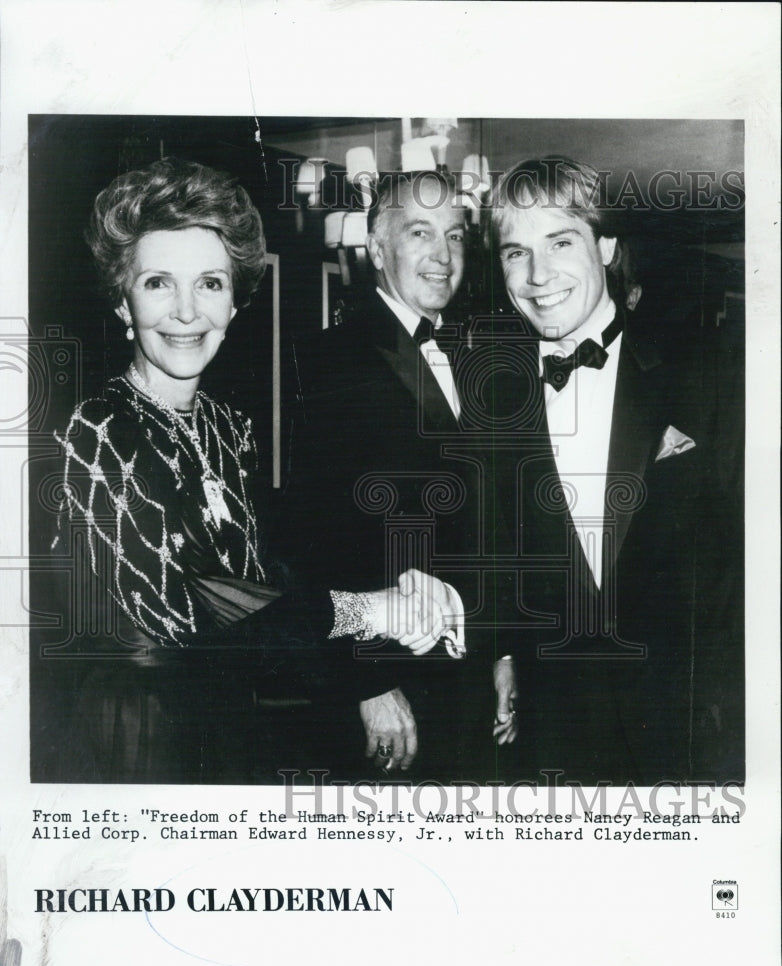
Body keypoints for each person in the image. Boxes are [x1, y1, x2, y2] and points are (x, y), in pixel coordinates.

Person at [52, 157, 456, 783]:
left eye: (210, 284)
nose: (187, 312)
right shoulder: (98, 431)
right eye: (159, 283)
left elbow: (273, 581)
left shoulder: (227, 428)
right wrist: (372, 612)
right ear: (122, 303)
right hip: (138, 744)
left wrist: (400, 592)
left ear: (235, 303)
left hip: (233, 733)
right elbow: (190, 617)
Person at [488, 155, 743, 784]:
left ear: (605, 247)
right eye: (515, 252)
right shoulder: (493, 400)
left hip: (691, 732)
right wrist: (503, 653)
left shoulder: (707, 373)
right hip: (552, 737)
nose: (537, 274)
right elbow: (496, 551)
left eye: (560, 242)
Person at [287, 171, 502, 780]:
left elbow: (486, 524)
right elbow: (309, 541)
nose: (443, 255)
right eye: (420, 232)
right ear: (378, 250)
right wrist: (369, 682)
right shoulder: (327, 359)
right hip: (387, 688)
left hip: (468, 677)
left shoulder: (481, 355)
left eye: (456, 236)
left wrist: (500, 652)